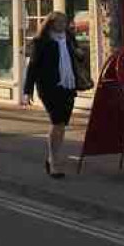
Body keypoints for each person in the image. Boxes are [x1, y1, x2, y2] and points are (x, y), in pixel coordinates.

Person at [24, 11, 80, 179]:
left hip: (68, 85)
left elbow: (78, 58)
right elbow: (32, 67)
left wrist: (80, 55)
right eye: (60, 22)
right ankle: (54, 161)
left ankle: (53, 157)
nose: (64, 25)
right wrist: (27, 91)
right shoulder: (41, 42)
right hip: (49, 87)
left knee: (62, 124)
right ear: (51, 23)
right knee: (57, 122)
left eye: (65, 21)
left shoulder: (69, 38)